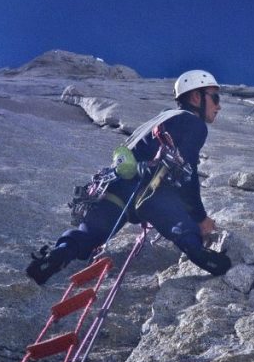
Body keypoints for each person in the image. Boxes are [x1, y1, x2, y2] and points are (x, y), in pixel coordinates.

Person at [26, 70, 232, 285]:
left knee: (90, 234)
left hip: (116, 188)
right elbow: (186, 171)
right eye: (215, 98)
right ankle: (199, 253)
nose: (219, 106)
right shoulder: (191, 122)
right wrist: (200, 219)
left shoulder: (157, 120)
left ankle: (60, 253)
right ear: (196, 97)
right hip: (150, 191)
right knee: (179, 222)